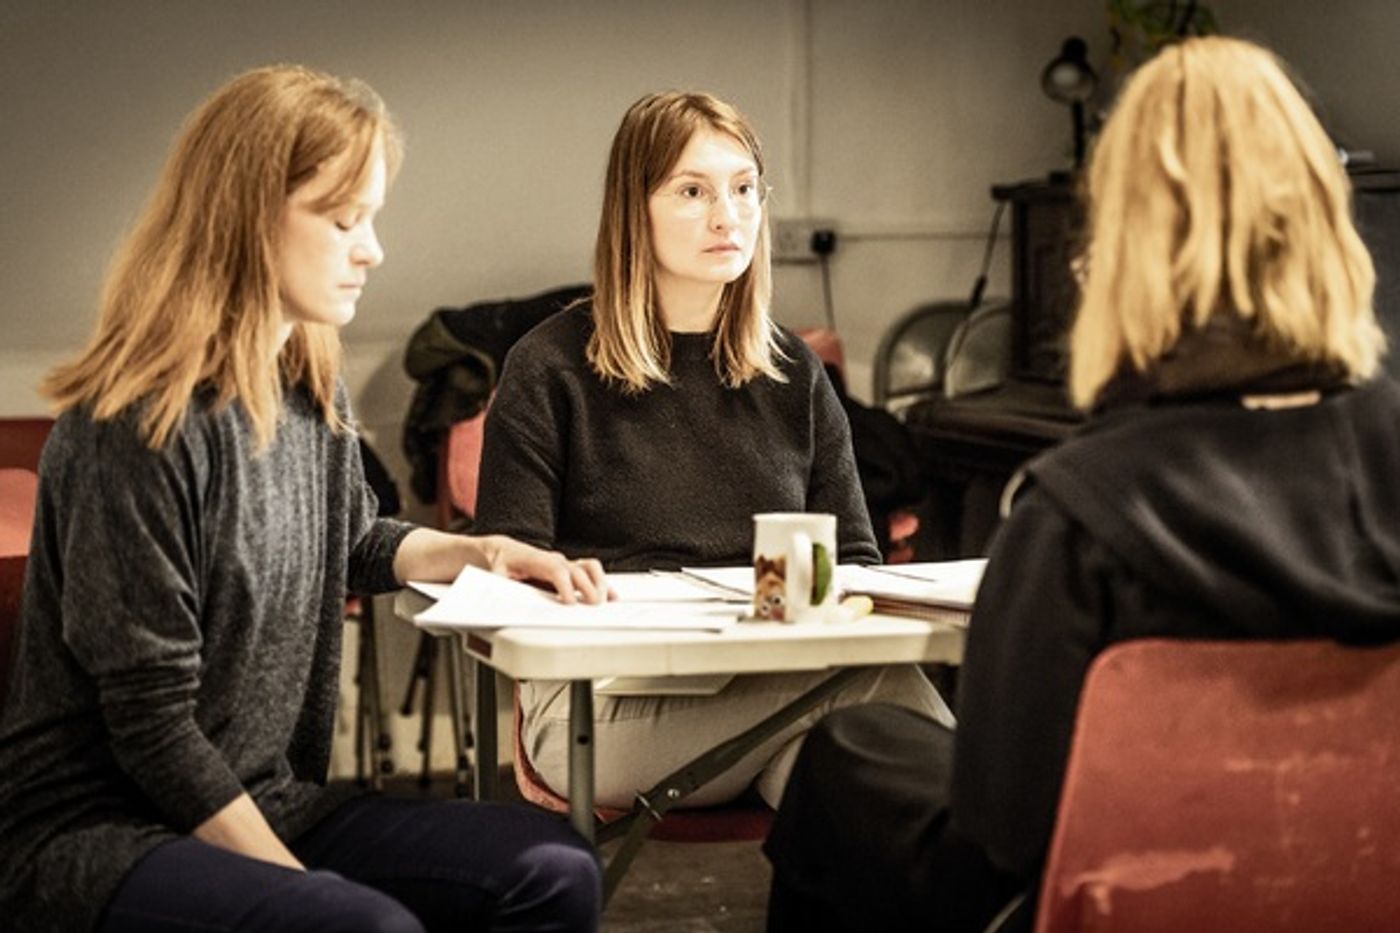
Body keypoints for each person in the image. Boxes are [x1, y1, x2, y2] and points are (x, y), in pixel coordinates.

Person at [762, 35, 1400, 933]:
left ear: (1119, 246)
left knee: (844, 755)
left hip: (1108, 904)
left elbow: (1005, 830)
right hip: (1357, 883)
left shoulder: (1076, 513)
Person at [0, 66, 608, 933]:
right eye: (342, 219)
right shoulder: (133, 423)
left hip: (269, 798)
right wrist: (301, 889)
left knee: (554, 870)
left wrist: (479, 552)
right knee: (359, 927)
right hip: (97, 835)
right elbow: (150, 730)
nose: (373, 249)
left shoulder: (307, 394)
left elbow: (351, 537)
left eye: (371, 218)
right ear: (247, 218)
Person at [472, 91, 952, 810]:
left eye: (744, 189)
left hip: (777, 691)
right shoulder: (548, 366)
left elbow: (853, 565)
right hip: (595, 709)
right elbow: (506, 582)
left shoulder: (794, 370)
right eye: (693, 191)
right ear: (635, 209)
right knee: (880, 693)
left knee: (866, 795)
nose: (728, 215)